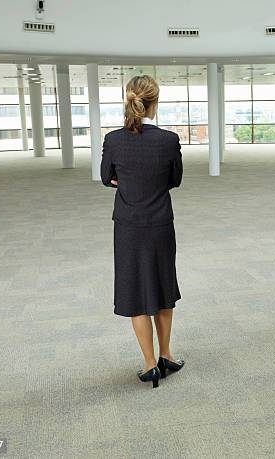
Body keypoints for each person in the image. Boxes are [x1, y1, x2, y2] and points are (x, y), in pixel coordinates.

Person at [100, 75, 185, 389]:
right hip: (160, 223)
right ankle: (167, 355)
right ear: (154, 102)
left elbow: (105, 177)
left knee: (137, 293)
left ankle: (150, 365)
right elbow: (175, 180)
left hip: (128, 227)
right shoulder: (168, 140)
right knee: (163, 289)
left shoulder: (113, 139)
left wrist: (127, 182)